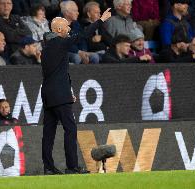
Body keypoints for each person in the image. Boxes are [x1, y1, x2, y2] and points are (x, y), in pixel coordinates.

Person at [40, 8, 112, 174]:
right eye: (66, 26)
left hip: (49, 94)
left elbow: (58, 72)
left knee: (48, 132)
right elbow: (84, 35)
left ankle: (48, 167)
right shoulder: (59, 42)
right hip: (59, 95)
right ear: (58, 30)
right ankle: (72, 166)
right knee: (70, 129)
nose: (69, 29)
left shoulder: (47, 48)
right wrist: (100, 20)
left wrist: (67, 90)